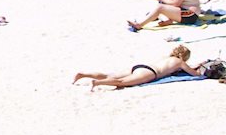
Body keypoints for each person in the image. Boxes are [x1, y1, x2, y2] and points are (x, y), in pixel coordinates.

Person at [73, 45, 205, 90]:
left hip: (141, 66)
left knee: (110, 75)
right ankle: (97, 82)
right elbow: (194, 74)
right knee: (122, 83)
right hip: (150, 72)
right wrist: (200, 72)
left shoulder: (167, 58)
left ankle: (83, 75)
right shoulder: (179, 62)